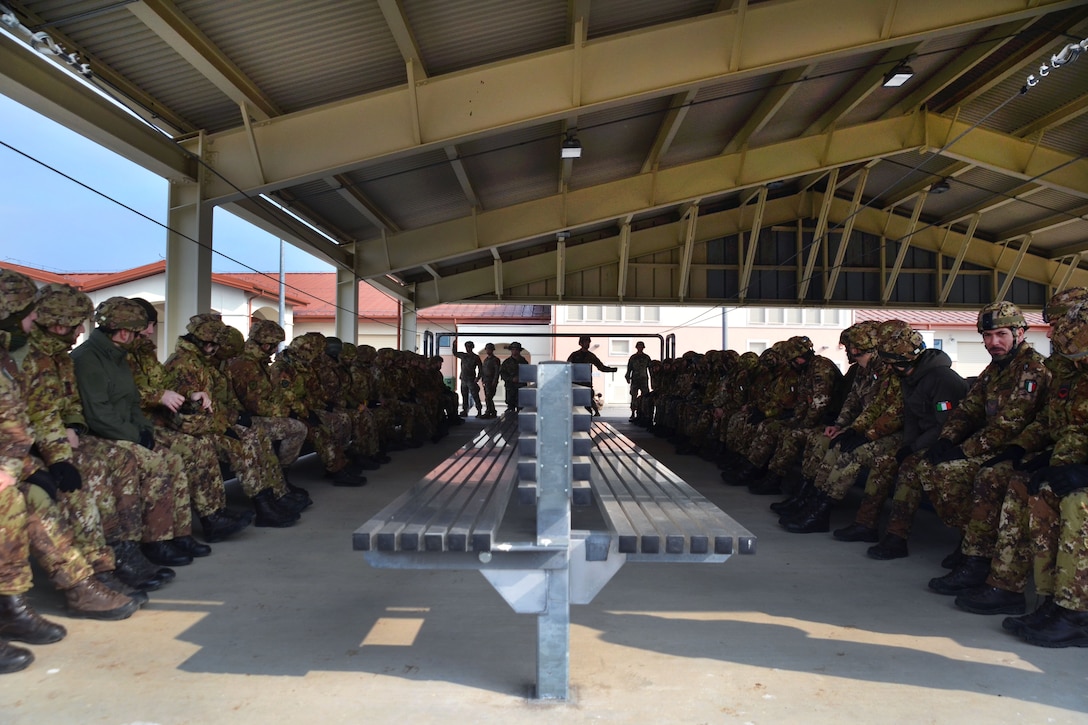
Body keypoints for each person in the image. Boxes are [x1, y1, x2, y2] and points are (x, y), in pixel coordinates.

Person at [872, 303, 1048, 577]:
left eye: (1001, 334)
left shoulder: (1031, 369)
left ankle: (976, 553)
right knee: (917, 463)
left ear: (1020, 333)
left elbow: (1011, 424)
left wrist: (963, 451)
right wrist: (946, 440)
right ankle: (909, 537)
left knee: (952, 473)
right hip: (988, 445)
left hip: (1016, 449)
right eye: (987, 336)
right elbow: (968, 409)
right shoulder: (996, 369)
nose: (993, 342)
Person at [567, 336, 617, 416]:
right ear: (581, 343)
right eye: (586, 342)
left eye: (588, 342)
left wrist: (611, 370)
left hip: (586, 384)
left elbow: (601, 367)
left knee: (587, 406)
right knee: (575, 405)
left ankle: (587, 422)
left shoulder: (591, 356)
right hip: (575, 383)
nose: (587, 344)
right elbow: (567, 367)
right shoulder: (574, 355)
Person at [453, 341, 482, 418]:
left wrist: (478, 377)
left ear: (472, 347)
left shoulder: (476, 357)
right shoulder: (463, 355)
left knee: (475, 395)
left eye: (469, 347)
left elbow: (480, 368)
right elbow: (455, 353)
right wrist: (454, 345)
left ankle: (479, 410)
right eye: (466, 347)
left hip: (471, 379)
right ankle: (465, 410)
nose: (467, 348)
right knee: (464, 395)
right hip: (463, 378)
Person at [626, 341, 652, 422]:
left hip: (644, 379)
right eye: (639, 346)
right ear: (636, 347)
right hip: (635, 379)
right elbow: (629, 368)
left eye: (641, 346)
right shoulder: (633, 357)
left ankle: (643, 414)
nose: (640, 348)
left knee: (645, 396)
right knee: (634, 396)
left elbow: (650, 369)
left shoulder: (646, 357)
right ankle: (633, 413)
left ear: (643, 347)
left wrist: (653, 379)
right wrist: (627, 376)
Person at [499, 342, 527, 412]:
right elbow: (502, 373)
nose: (514, 351)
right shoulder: (506, 362)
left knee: (521, 409)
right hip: (510, 388)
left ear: (519, 351)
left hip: (521, 387)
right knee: (510, 409)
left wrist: (520, 378)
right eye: (513, 349)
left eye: (516, 349)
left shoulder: (524, 362)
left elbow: (528, 373)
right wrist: (511, 379)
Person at [479, 342, 500, 419]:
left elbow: (497, 371)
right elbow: (483, 370)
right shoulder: (486, 360)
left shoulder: (495, 360)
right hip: (486, 380)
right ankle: (493, 411)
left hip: (491, 380)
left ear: (492, 350)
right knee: (488, 397)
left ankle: (488, 411)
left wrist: (495, 380)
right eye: (487, 349)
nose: (488, 351)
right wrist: (483, 379)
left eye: (489, 349)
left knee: (488, 397)